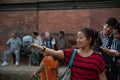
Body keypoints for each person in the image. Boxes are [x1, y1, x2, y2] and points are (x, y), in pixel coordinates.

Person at [30, 28, 107, 80]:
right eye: (77, 38)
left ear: (89, 40)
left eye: (80, 38)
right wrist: (39, 47)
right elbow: (55, 53)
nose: (77, 40)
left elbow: (103, 78)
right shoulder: (72, 53)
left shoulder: (98, 57)